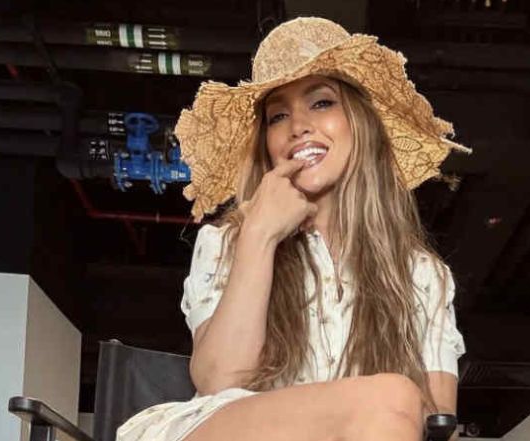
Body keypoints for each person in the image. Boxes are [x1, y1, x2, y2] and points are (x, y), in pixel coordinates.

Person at [117, 16, 471, 441]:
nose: (297, 126)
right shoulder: (226, 243)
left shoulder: (422, 274)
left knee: (399, 404)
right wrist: (260, 235)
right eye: (277, 116)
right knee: (392, 396)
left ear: (361, 123)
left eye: (321, 103)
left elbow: (438, 423)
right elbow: (221, 381)